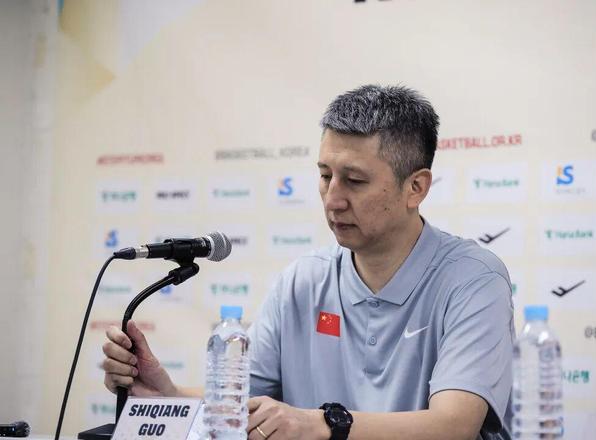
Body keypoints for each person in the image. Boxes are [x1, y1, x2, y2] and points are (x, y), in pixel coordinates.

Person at [102, 85, 514, 440]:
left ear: (416, 188)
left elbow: (454, 424)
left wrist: (324, 424)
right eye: (325, 176)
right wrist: (168, 393)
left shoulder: (473, 279)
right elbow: (241, 402)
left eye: (355, 181)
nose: (333, 199)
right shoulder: (304, 280)